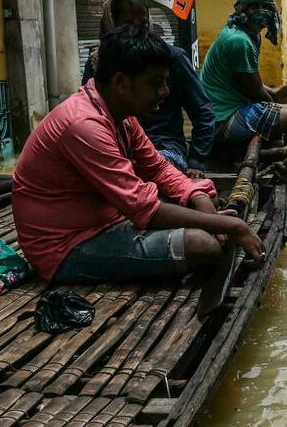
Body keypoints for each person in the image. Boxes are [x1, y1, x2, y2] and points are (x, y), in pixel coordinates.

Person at [13, 25, 265, 284]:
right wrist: (228, 225)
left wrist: (199, 198)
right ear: (122, 83)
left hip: (107, 223)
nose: (165, 92)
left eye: (166, 82)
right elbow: (145, 209)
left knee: (200, 214)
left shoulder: (120, 116)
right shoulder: (84, 125)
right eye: (156, 83)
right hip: (65, 249)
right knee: (203, 245)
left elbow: (158, 168)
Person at [199, 0, 287, 220]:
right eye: (255, 6)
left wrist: (274, 94)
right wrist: (274, 100)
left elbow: (253, 83)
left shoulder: (248, 36)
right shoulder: (239, 41)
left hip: (229, 111)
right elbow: (254, 92)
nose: (262, 12)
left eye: (267, 6)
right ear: (242, 8)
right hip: (222, 122)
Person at [81, 0, 215, 178]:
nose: (139, 30)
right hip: (114, 148)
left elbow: (203, 111)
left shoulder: (170, 57)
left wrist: (196, 161)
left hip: (163, 147)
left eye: (143, 23)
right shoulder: (98, 63)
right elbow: (92, 110)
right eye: (128, 24)